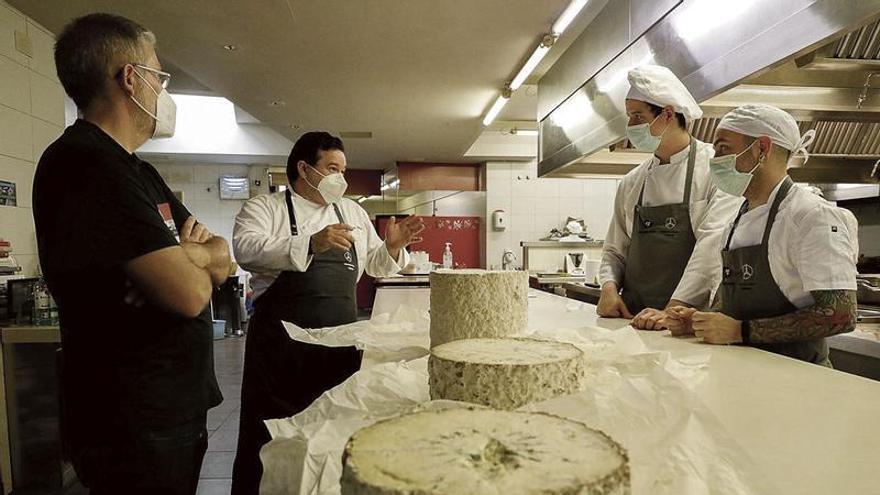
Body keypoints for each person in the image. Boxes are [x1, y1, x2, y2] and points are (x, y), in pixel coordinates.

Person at [32, 13, 234, 495]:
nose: (163, 92)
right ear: (130, 78)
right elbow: (188, 295)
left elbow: (222, 254)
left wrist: (200, 257)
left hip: (168, 411)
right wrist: (197, 263)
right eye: (160, 77)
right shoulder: (86, 164)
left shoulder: (137, 172)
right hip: (132, 420)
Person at [231, 131, 425, 494]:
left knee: (329, 434)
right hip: (280, 352)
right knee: (270, 434)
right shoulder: (266, 208)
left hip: (337, 349)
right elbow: (245, 249)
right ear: (304, 169)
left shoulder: (350, 211)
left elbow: (376, 266)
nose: (342, 178)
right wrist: (310, 242)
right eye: (333, 168)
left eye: (344, 169)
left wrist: (394, 247)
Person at [663, 104, 858, 366]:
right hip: (741, 374)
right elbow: (730, 303)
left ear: (762, 148)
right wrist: (699, 320)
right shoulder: (736, 220)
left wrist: (740, 331)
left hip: (799, 381)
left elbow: (841, 314)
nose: (715, 159)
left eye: (723, 148)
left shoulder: (810, 216)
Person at [597, 65, 740, 329]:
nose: (631, 126)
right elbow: (615, 250)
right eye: (629, 117)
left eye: (638, 116)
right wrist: (608, 287)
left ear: (668, 114)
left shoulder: (715, 171)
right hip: (633, 321)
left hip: (687, 324)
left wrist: (674, 309)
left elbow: (711, 248)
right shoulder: (632, 182)